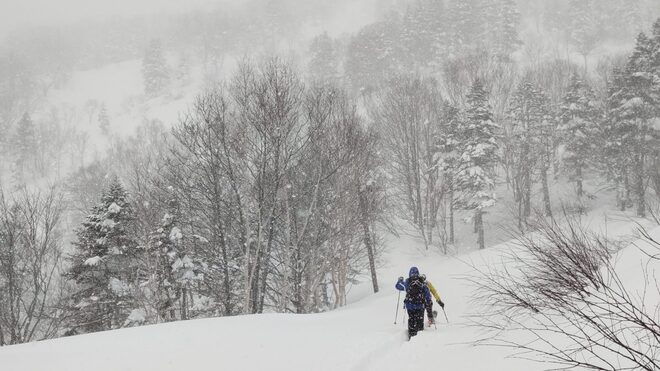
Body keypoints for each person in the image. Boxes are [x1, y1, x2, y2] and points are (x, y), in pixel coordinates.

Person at [395, 266, 432, 339]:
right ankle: (420, 335)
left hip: (410, 306)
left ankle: (411, 334)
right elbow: (428, 295)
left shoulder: (407, 282)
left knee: (411, 319)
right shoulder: (422, 282)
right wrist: (428, 302)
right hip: (420, 306)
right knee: (419, 320)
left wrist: (399, 280)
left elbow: (398, 286)